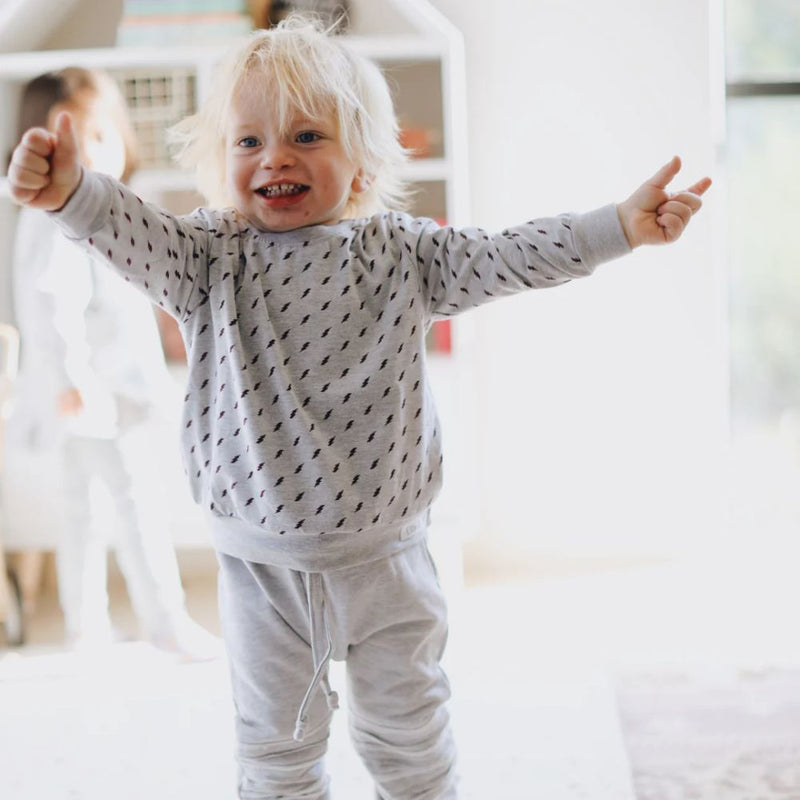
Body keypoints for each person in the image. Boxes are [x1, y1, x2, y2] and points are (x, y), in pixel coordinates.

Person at [7, 17, 710, 799]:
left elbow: (511, 253)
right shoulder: (206, 260)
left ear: (364, 165)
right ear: (221, 162)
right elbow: (126, 228)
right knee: (276, 757)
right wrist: (71, 191)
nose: (275, 156)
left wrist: (615, 226)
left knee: (412, 745)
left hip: (390, 563)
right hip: (264, 573)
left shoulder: (405, 254)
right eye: (249, 143)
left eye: (306, 135)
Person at [8, 67, 220, 660]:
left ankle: (86, 623)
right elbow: (49, 301)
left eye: (101, 136)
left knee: (86, 505)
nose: (90, 152)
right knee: (133, 498)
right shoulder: (54, 216)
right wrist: (73, 376)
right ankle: (165, 618)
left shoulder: (106, 213)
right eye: (71, 138)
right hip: (92, 388)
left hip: (94, 384)